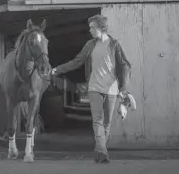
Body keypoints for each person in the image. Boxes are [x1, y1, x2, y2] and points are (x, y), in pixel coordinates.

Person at [51, 14, 132, 163]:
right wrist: (57, 70)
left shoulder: (114, 44)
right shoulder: (90, 45)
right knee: (97, 120)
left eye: (92, 27)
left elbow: (125, 65)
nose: (90, 30)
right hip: (94, 87)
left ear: (101, 27)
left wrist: (124, 88)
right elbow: (77, 62)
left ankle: (100, 150)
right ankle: (102, 152)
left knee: (106, 123)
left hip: (112, 89)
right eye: (90, 28)